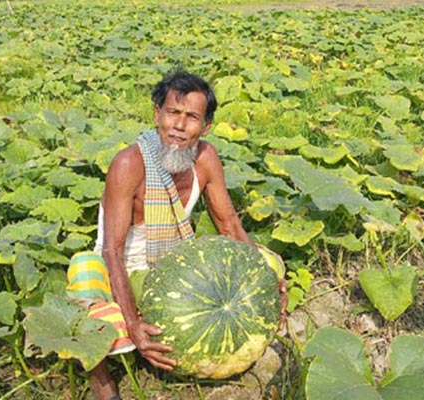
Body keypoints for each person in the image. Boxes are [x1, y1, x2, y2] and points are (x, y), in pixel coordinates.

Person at [66, 69, 286, 400]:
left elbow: (228, 224)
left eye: (192, 117)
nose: (179, 126)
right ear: (158, 115)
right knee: (84, 273)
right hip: (125, 265)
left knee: (270, 263)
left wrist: (265, 282)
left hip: (175, 257)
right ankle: (102, 381)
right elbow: (111, 249)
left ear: (206, 126)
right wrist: (133, 323)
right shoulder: (129, 164)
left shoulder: (206, 158)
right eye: (173, 113)